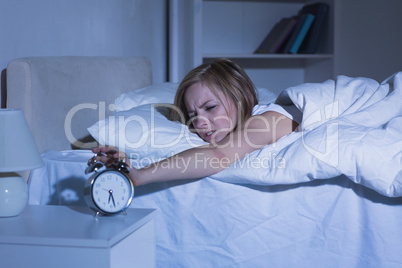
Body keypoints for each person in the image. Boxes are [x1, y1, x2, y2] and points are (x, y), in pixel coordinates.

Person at [92, 58, 300, 186]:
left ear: (242, 95)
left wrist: (140, 175)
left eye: (210, 108)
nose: (200, 124)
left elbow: (218, 155)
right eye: (192, 115)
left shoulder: (266, 120)